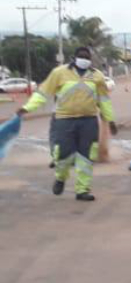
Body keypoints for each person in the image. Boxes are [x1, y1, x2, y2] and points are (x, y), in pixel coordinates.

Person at [16, 47, 118, 201]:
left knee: (86, 157)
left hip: (88, 121)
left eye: (87, 56)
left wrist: (110, 120)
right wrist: (27, 108)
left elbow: (103, 100)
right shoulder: (59, 73)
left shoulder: (97, 76)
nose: (84, 59)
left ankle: (82, 190)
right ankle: (60, 178)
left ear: (90, 59)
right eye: (81, 56)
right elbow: (43, 93)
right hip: (64, 120)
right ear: (75, 57)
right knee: (63, 155)